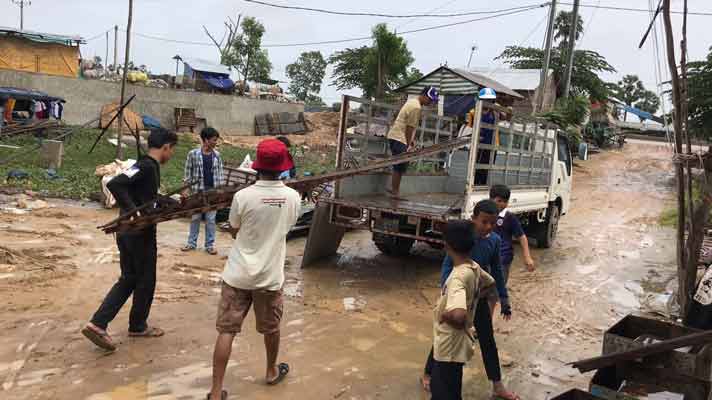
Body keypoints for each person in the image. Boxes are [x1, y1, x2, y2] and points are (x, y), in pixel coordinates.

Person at [209, 139, 301, 400]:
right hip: (269, 278)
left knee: (227, 331)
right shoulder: (292, 197)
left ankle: (216, 391)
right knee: (271, 328)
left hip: (237, 275)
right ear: (283, 167)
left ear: (257, 166)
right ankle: (271, 371)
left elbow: (234, 228)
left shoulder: (242, 196)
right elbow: (287, 229)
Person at [81, 128, 179, 351]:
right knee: (145, 279)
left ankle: (98, 323)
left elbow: (146, 196)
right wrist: (132, 210)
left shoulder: (144, 165)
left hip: (126, 232)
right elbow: (115, 184)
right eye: (172, 150)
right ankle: (137, 326)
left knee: (129, 278)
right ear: (166, 147)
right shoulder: (146, 166)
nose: (171, 155)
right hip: (138, 233)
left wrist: (169, 202)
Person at [423, 200, 519, 400]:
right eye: (484, 222)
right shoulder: (463, 241)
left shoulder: (493, 241)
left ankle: (497, 385)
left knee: (487, 340)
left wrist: (503, 298)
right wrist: (447, 292)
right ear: (474, 219)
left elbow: (496, 272)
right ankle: (428, 373)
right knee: (444, 336)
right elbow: (448, 267)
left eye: (492, 223)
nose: (488, 227)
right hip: (458, 295)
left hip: (476, 297)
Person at [430, 220, 495, 400]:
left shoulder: (458, 276)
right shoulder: (473, 267)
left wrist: (443, 314)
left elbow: (459, 316)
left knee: (442, 392)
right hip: (459, 344)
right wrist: (473, 297)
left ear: (447, 246)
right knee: (450, 389)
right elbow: (491, 284)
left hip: (448, 345)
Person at [386, 86, 439, 199]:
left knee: (400, 164)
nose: (430, 102)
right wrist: (408, 143)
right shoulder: (416, 108)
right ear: (424, 95)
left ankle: (394, 190)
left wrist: (411, 141)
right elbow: (410, 128)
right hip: (399, 137)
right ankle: (394, 191)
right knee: (400, 165)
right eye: (430, 99)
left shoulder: (412, 102)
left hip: (396, 135)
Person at [181, 127, 225, 255]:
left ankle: (209, 245)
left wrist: (220, 190)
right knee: (195, 217)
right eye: (214, 140)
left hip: (212, 192)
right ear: (206, 140)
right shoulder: (193, 154)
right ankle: (191, 243)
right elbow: (187, 172)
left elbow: (220, 173)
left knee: (211, 220)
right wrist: (185, 188)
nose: (215, 142)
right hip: (197, 192)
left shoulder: (217, 155)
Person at [490, 184, 536, 292]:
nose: (503, 204)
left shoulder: (510, 218)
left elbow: (522, 237)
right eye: (499, 200)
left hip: (503, 258)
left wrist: (527, 257)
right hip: (486, 257)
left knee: (498, 288)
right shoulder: (484, 215)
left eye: (505, 201)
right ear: (491, 199)